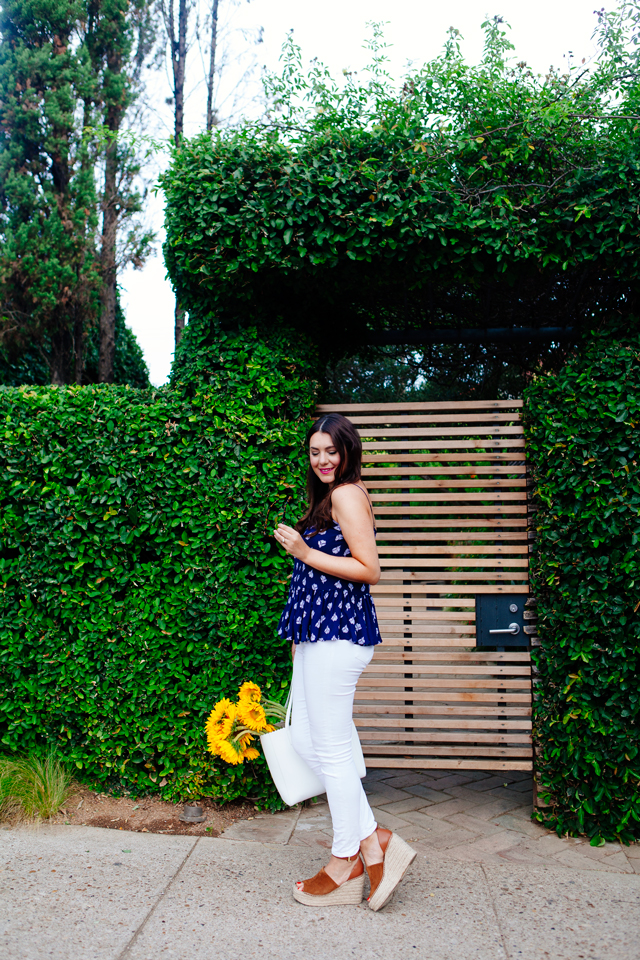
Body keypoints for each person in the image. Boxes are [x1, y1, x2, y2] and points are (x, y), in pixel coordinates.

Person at [274, 412, 416, 910]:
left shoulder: (347, 495)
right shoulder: (328, 499)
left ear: (348, 451)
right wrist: (299, 639)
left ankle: (345, 857)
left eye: (331, 451)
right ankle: (371, 837)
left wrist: (302, 551)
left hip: (339, 636)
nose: (322, 460)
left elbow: (369, 569)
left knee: (329, 746)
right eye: (314, 452)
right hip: (318, 636)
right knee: (305, 739)